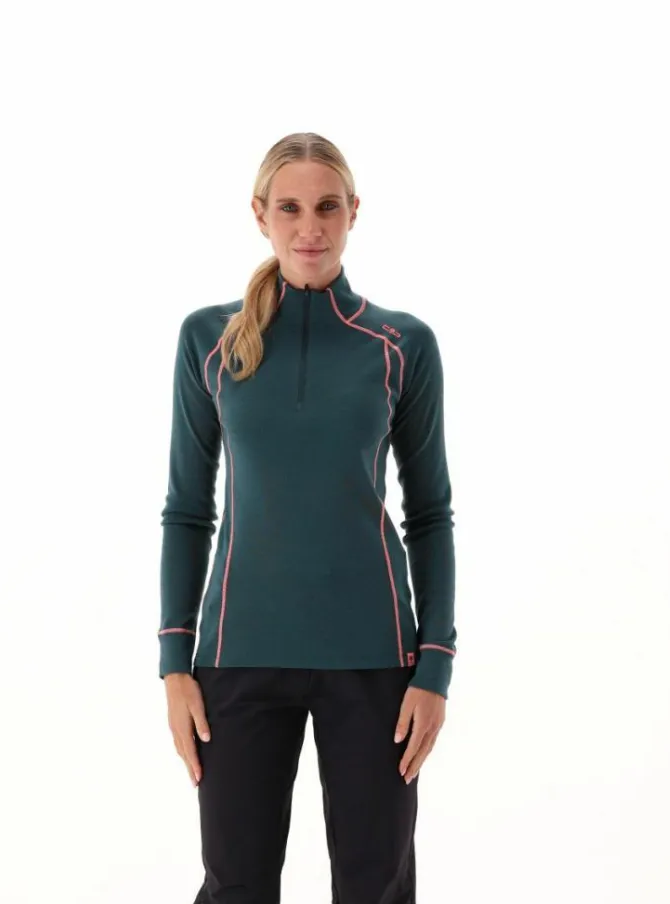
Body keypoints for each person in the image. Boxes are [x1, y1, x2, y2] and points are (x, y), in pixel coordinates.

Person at [157, 131, 457, 904]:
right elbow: (187, 511)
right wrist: (174, 664)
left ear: (354, 211)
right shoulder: (209, 340)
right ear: (260, 215)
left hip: (375, 661)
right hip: (238, 658)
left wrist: (434, 667)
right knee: (235, 886)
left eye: (327, 207)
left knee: (375, 888)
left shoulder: (401, 345)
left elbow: (430, 514)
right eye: (289, 208)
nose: (309, 227)